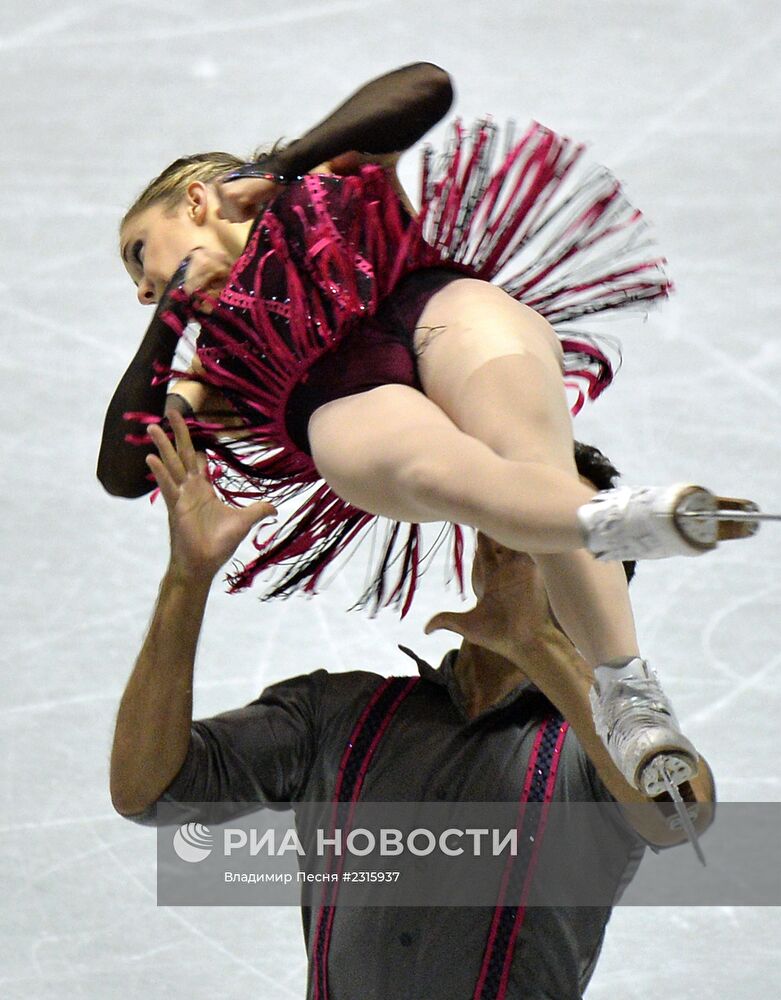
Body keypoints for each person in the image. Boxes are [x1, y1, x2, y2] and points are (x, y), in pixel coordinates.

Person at [98, 62, 759, 795]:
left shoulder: (318, 179)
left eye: (140, 255)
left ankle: (628, 695)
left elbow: (425, 86)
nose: (142, 288)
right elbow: (122, 472)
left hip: (435, 308)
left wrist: (282, 165)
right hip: (342, 393)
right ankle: (608, 519)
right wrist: (170, 317)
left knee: (530, 449)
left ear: (195, 200)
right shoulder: (214, 366)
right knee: (446, 476)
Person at [110, 415, 715, 1000]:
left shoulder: (598, 753)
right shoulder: (339, 713)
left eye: (552, 530)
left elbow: (682, 816)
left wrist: (540, 645)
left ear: (598, 582)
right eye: (515, 513)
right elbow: (147, 789)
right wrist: (186, 579)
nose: (519, 536)